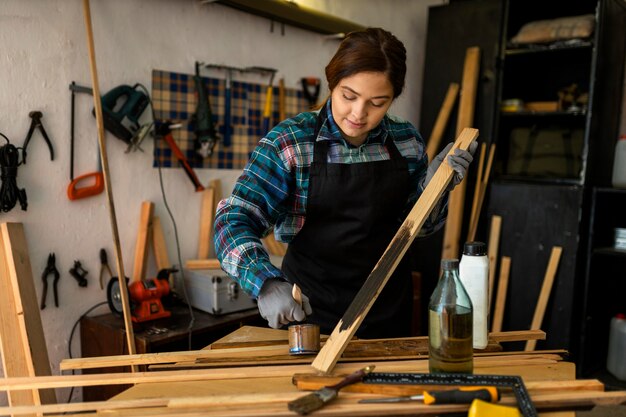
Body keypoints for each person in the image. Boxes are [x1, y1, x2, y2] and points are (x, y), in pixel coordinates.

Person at [214, 27, 477, 339]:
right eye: (348, 96)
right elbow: (233, 220)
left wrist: (434, 189)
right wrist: (266, 282)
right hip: (310, 312)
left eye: (377, 102)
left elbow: (416, 229)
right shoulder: (291, 143)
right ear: (332, 82)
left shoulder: (407, 141)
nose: (358, 113)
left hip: (388, 312)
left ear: (393, 97)